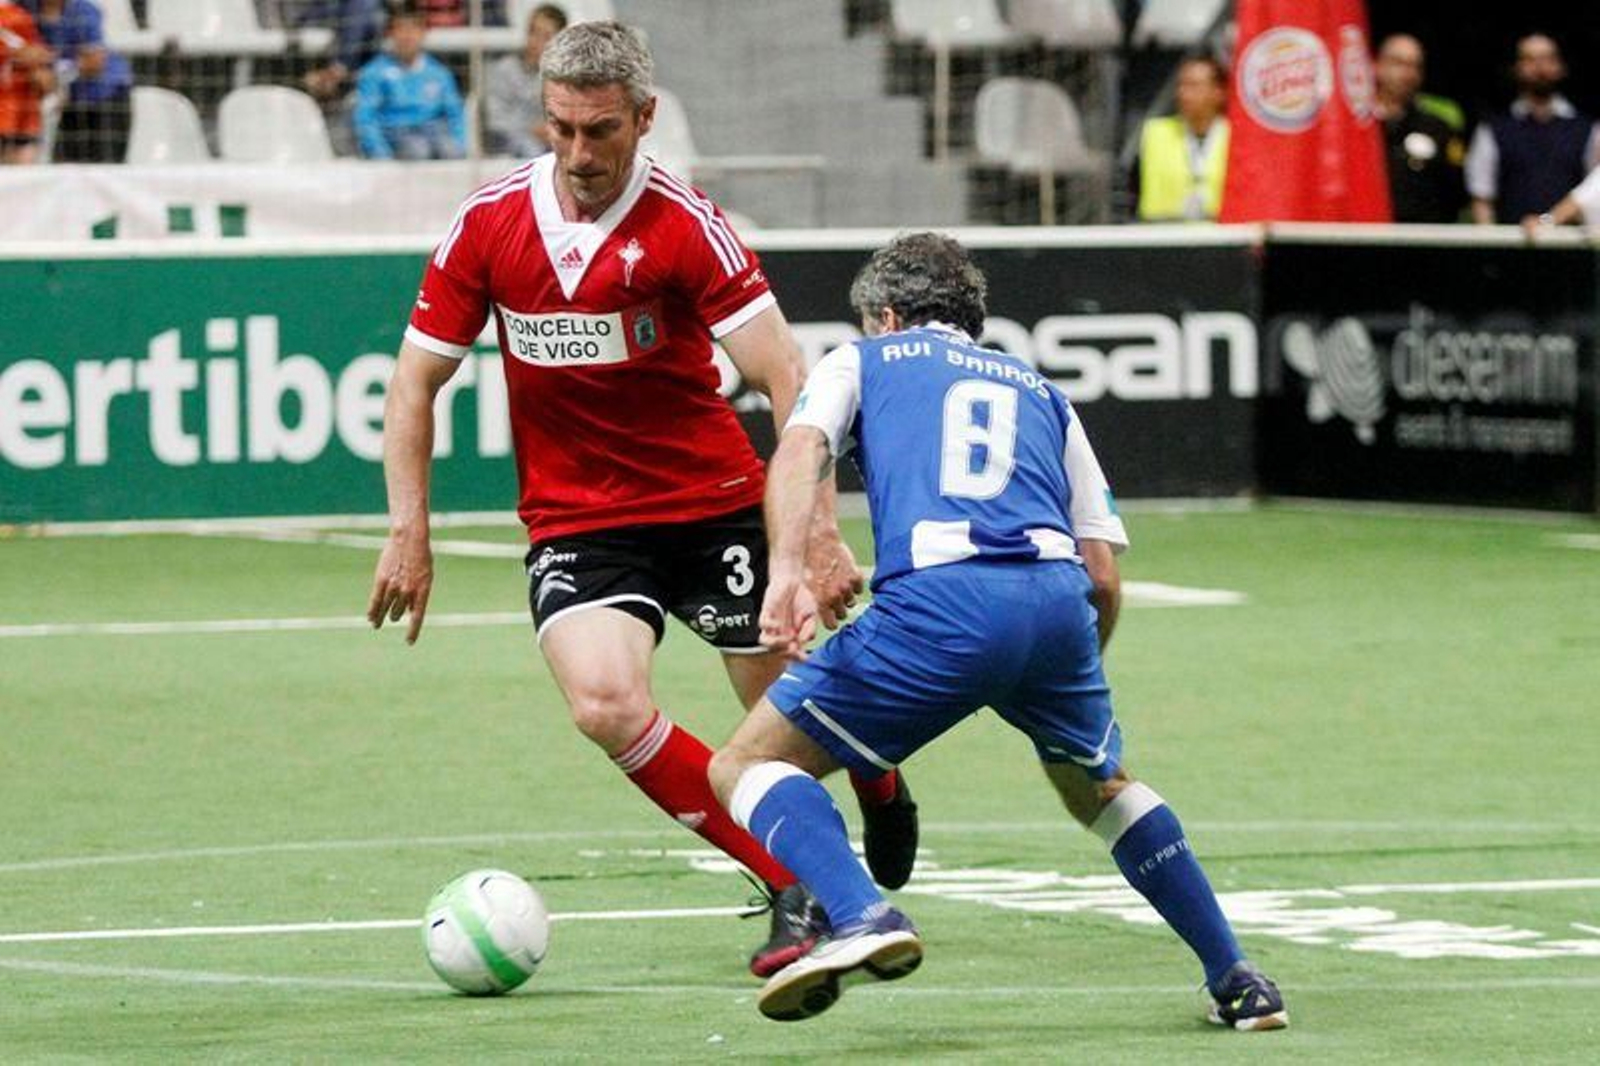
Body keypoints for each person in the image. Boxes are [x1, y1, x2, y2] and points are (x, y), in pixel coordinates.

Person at [366, 20, 918, 978]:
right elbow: (415, 383)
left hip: (711, 503)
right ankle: (791, 885)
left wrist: (816, 534)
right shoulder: (488, 224)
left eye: (603, 132)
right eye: (563, 129)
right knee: (604, 704)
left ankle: (873, 768)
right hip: (578, 519)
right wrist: (408, 534)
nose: (580, 154)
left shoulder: (685, 225)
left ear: (645, 119)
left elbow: (789, 374)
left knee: (779, 726)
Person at [706, 232, 1289, 1030]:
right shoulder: (1044, 391)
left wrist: (785, 572)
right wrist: (1060, 673)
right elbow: (1104, 573)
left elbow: (801, 446)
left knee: (744, 763)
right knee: (1099, 788)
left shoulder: (863, 359)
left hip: (940, 605)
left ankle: (860, 915)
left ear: (886, 313)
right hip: (1056, 609)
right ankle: (1238, 979)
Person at [1465, 33, 1600, 225]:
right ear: (1516, 68)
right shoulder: (1494, 129)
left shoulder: (1587, 129)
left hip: (1573, 247)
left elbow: (1593, 194)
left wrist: (1547, 223)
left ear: (1561, 67)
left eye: (1547, 59)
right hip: (1510, 245)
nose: (1540, 68)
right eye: (1530, 60)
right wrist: (1490, 244)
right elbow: (1482, 198)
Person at [21, 0, 132, 162]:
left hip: (107, 99)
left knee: (103, 169)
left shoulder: (84, 10)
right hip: (72, 101)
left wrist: (56, 75)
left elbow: (94, 62)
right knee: (65, 168)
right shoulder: (26, 8)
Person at [352, 4, 466, 160]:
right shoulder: (374, 73)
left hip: (434, 132)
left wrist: (460, 143)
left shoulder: (439, 73)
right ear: (390, 34)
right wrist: (381, 154)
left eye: (413, 30)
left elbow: (455, 114)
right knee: (418, 149)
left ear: (423, 33)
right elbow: (365, 118)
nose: (407, 37)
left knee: (451, 150)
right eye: (401, 30)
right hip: (396, 133)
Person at [1373, 33, 1465, 223]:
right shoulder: (1358, 128)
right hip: (1361, 236)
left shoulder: (1439, 129)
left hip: (1419, 239)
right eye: (1399, 63)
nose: (1408, 74)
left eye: (1415, 66)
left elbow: (1456, 194)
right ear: (1377, 66)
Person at [1132, 55, 1229, 222]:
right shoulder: (1154, 133)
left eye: (1194, 86)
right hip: (1163, 237)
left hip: (1223, 237)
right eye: (1181, 85)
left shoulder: (1236, 139)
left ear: (1218, 92)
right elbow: (1129, 190)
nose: (1183, 93)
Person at [484, 2, 566, 159]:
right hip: (507, 144)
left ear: (560, 42)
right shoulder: (504, 70)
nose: (535, 41)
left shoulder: (566, 78)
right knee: (531, 149)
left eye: (546, 36)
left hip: (550, 142)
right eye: (532, 32)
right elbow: (494, 120)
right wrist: (532, 129)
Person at [0, 0, 54, 165]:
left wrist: (34, 62)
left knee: (23, 180)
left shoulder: (18, 16)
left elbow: (42, 60)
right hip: (10, 113)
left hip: (23, 116)